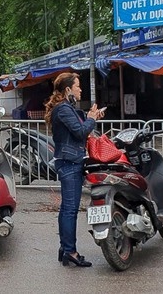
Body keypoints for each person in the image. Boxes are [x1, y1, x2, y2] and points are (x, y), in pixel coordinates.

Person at [45, 72, 102, 267]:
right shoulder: (63, 109)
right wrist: (91, 119)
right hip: (69, 162)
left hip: (69, 161)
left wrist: (91, 117)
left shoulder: (66, 108)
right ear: (68, 89)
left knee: (67, 209)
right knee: (70, 210)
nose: (80, 90)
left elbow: (79, 127)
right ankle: (70, 251)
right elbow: (80, 132)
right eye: (78, 86)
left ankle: (65, 248)